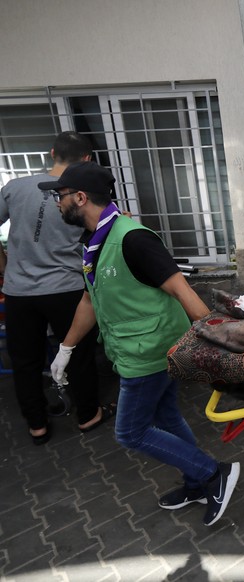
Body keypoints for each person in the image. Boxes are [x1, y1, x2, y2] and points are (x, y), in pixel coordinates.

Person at [44, 161, 240, 526]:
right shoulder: (93, 242)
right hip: (135, 347)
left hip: (150, 351)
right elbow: (89, 300)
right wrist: (65, 348)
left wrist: (219, 340)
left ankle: (214, 474)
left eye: (61, 196)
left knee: (130, 432)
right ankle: (198, 481)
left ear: (81, 197)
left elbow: (181, 288)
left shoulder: (133, 238)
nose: (57, 202)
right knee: (166, 416)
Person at [0, 131, 111, 445]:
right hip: (66, 288)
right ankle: (89, 415)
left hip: (19, 291)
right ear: (87, 158)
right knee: (77, 352)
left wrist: (4, 265)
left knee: (25, 360)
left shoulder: (15, 187)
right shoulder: (82, 192)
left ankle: (37, 425)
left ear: (52, 153)